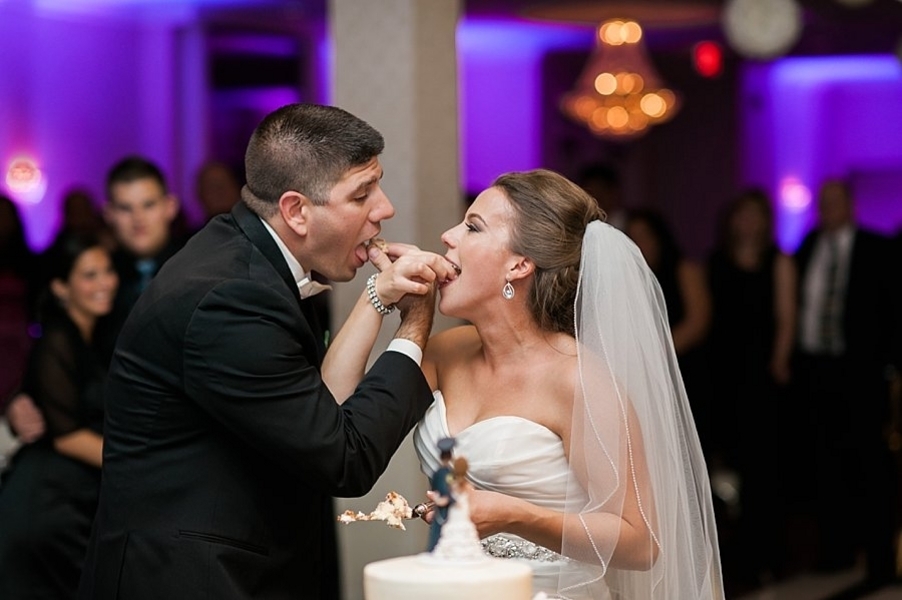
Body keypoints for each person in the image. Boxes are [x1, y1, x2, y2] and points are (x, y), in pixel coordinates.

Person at [76, 103, 457, 600]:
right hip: (190, 578)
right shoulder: (231, 299)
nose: (384, 209)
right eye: (362, 194)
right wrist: (415, 324)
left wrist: (378, 296)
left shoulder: (243, 257)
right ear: (296, 210)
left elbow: (319, 408)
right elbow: (344, 458)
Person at [326, 169, 724, 598]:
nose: (447, 236)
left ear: (519, 265)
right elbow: (335, 416)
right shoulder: (445, 353)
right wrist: (378, 294)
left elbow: (642, 543)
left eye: (473, 227)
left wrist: (516, 515)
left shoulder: (579, 379)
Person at [4, 156, 186, 446]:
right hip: (110, 439)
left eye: (148, 205)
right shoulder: (98, 278)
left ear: (170, 207)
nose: (138, 219)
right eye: (125, 208)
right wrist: (19, 399)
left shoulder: (198, 267)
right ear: (109, 213)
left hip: (183, 435)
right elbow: (62, 347)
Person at [793, 179, 898, 594]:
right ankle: (835, 552)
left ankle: (880, 561)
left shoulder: (878, 248)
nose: (828, 208)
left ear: (851, 204)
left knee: (871, 467)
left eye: (835, 201)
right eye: (823, 202)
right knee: (826, 465)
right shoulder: (807, 247)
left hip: (863, 373)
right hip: (816, 370)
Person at [0, 232, 118, 599]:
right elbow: (67, 435)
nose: (105, 282)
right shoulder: (58, 339)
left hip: (70, 497)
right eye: (89, 275)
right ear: (60, 287)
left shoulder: (94, 336)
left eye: (108, 270)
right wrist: (140, 464)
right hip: (46, 502)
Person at [706, 189, 796, 588]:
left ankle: (767, 555)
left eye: (756, 215)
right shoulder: (715, 262)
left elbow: (786, 317)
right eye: (742, 214)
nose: (748, 222)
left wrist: (780, 359)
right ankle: (733, 558)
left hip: (760, 376)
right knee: (726, 467)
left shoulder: (778, 261)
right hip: (721, 374)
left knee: (763, 467)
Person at [427, 436, 457, 551]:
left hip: (450, 502)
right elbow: (436, 487)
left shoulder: (449, 473)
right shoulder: (440, 474)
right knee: (439, 528)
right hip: (442, 505)